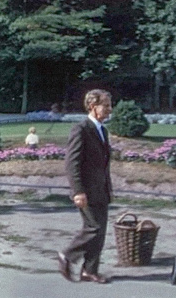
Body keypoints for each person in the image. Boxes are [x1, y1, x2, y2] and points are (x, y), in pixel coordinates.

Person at [56, 89, 113, 284]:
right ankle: (67, 255)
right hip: (86, 191)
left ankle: (90, 270)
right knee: (93, 228)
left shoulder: (102, 130)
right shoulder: (81, 129)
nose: (109, 109)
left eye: (109, 105)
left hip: (101, 189)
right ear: (92, 106)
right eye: (105, 105)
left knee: (100, 230)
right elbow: (72, 163)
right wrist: (78, 191)